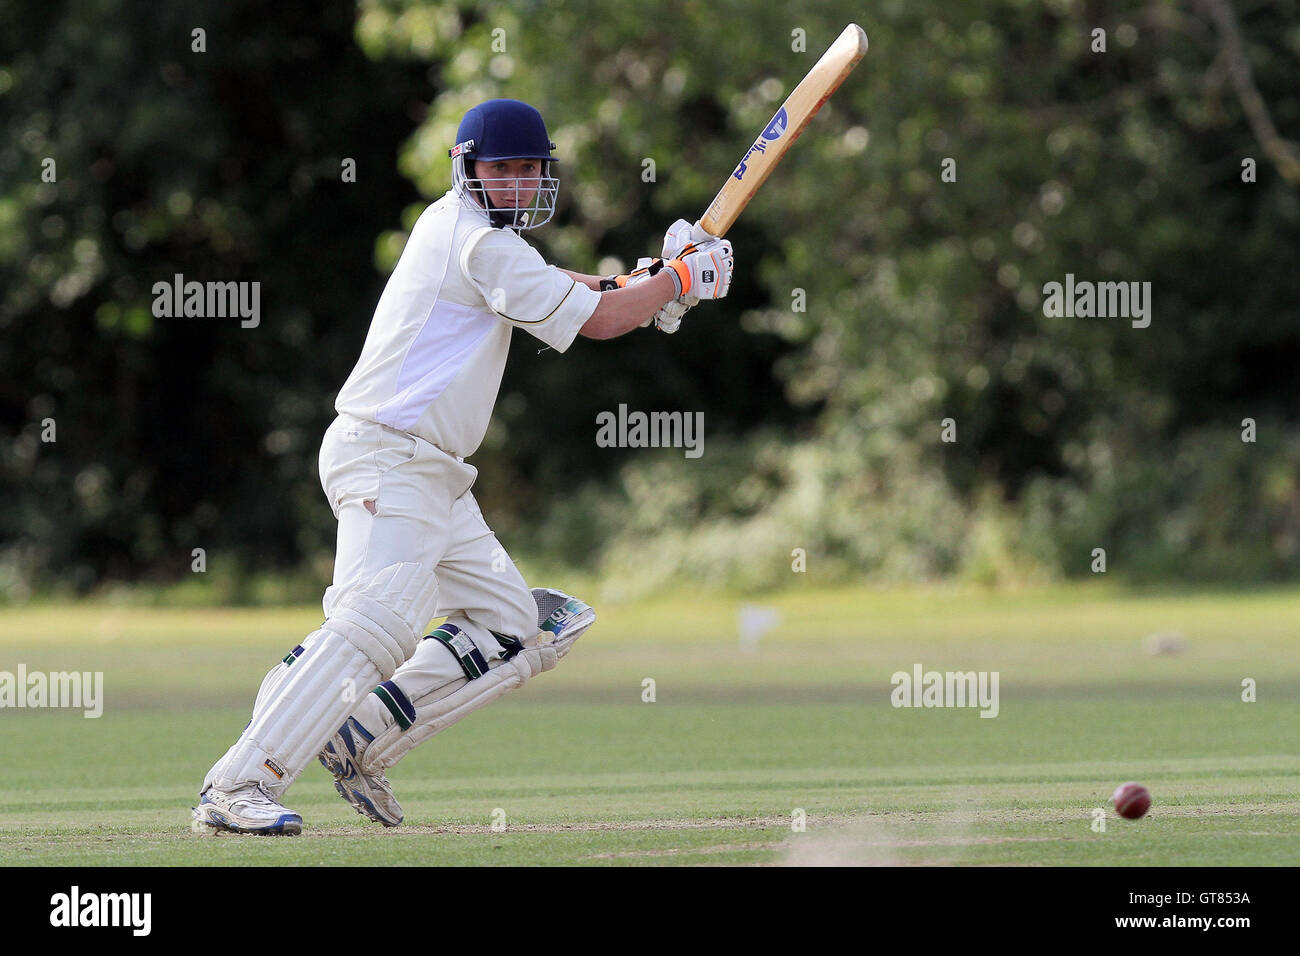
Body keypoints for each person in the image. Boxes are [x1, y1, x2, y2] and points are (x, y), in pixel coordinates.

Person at [192, 98, 734, 833]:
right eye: (500, 169)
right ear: (467, 169)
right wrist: (674, 283)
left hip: (434, 475)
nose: (514, 184)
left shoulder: (481, 242)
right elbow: (603, 318)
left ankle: (363, 735)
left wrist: (654, 278)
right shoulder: (476, 241)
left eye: (527, 171)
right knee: (378, 621)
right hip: (389, 456)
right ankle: (238, 784)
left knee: (520, 627)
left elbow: (582, 295)